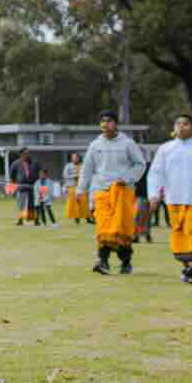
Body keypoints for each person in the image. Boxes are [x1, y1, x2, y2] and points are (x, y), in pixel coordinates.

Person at [148, 114, 192, 285]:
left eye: (186, 124)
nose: (181, 127)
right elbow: (156, 173)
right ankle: (187, 266)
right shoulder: (165, 149)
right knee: (179, 231)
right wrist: (154, 194)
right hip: (173, 199)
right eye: (178, 124)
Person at [78, 112, 147, 275]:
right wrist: (81, 189)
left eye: (109, 121)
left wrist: (128, 178)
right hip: (100, 191)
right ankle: (103, 261)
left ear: (116, 124)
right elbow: (87, 169)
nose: (105, 125)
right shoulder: (95, 145)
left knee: (121, 229)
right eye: (102, 122)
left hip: (122, 192)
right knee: (103, 227)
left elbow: (140, 164)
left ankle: (126, 262)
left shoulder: (128, 144)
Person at [63, 153, 85, 224]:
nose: (74, 158)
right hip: (72, 186)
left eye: (75, 157)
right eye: (73, 157)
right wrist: (74, 176)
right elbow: (65, 175)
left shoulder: (83, 165)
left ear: (79, 158)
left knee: (84, 202)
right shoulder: (68, 166)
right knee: (74, 203)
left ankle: (87, 217)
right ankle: (76, 218)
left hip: (81, 186)